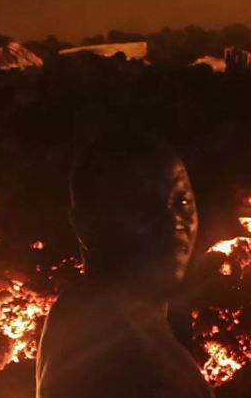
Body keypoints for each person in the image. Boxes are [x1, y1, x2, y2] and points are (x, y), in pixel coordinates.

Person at [36, 133, 213, 398]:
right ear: (87, 224)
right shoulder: (136, 363)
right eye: (143, 206)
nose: (172, 222)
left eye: (182, 202)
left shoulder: (79, 309)